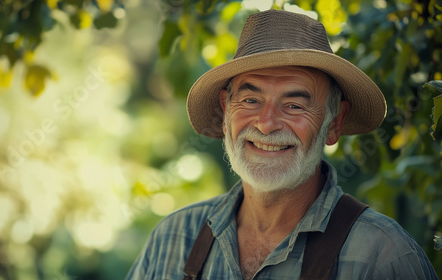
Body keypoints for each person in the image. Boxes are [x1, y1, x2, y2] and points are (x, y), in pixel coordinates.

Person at [126, 9, 438, 280]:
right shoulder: (174, 237)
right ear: (225, 111)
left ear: (334, 123)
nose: (266, 123)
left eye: (294, 105)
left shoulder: (384, 255)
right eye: (250, 100)